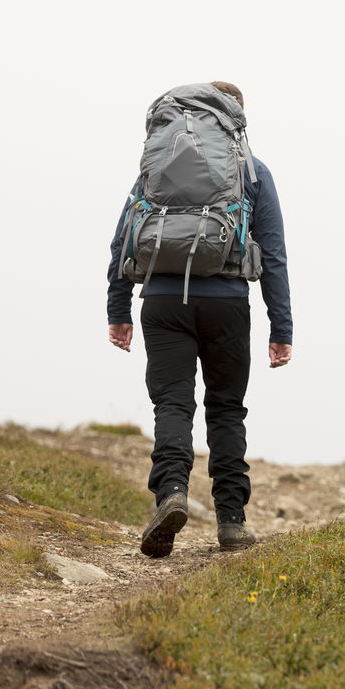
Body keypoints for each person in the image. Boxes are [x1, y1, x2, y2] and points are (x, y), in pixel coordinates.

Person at [106, 81, 292, 558]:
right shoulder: (253, 171)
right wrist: (281, 327)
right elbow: (273, 255)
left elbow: (124, 238)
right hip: (227, 302)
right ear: (237, 120)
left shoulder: (158, 165)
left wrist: (119, 309)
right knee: (226, 408)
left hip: (163, 299)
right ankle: (231, 522)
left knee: (172, 404)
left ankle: (170, 493)